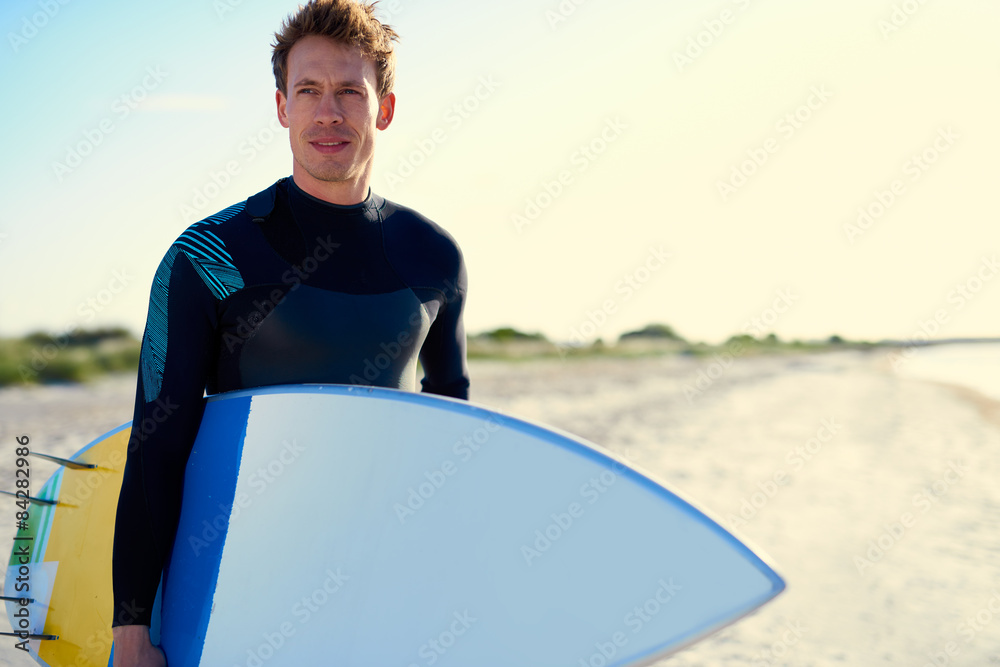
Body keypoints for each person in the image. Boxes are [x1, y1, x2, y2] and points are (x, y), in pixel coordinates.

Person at [110, 1, 469, 663]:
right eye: (307, 91)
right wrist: (132, 630)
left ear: (384, 109)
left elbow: (453, 447)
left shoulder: (434, 258)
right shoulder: (210, 255)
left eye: (348, 92)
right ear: (281, 107)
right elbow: (156, 450)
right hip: (238, 591)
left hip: (381, 589)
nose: (327, 113)